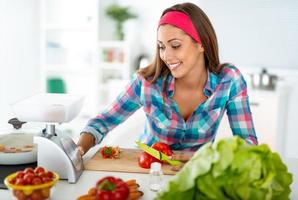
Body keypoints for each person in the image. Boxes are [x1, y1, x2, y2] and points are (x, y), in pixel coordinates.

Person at [77, 2, 258, 157]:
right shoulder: (147, 83)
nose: (167, 56)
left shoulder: (228, 81)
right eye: (161, 47)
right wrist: (79, 149)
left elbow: (247, 141)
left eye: (176, 45)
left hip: (195, 175)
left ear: (201, 43)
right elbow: (102, 122)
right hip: (148, 170)